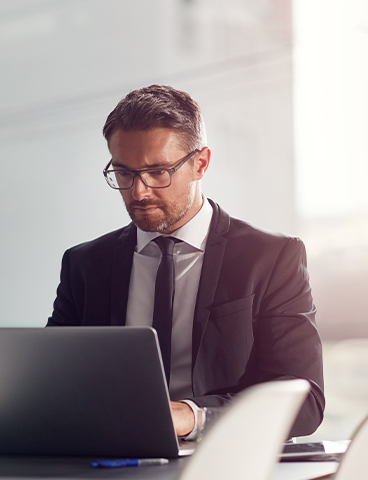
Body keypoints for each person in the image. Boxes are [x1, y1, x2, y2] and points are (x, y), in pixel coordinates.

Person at [47, 84, 324, 439]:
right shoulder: (84, 265)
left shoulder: (271, 259)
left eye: (158, 172)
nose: (139, 191)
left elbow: (305, 400)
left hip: (221, 462)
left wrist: (194, 417)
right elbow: (52, 383)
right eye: (124, 173)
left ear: (200, 163)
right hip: (108, 461)